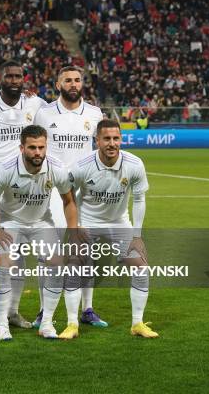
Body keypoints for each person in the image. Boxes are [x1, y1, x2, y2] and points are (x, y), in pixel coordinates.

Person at [0, 125, 81, 340]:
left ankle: (47, 323)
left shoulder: (56, 168)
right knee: (4, 265)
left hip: (41, 222)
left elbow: (69, 201)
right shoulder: (6, 169)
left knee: (56, 264)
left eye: (41, 147)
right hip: (11, 222)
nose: (38, 152)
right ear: (22, 148)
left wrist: (74, 233)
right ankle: (3, 325)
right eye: (32, 148)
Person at [0, 59, 47, 329]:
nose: (15, 80)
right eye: (10, 76)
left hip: (24, 190)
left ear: (24, 79)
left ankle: (11, 312)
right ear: (0, 78)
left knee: (16, 255)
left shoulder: (35, 104)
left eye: (18, 76)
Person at [69, 119, 158, 338]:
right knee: (76, 266)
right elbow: (68, 195)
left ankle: (137, 323)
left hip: (119, 222)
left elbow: (139, 200)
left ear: (121, 139)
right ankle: (74, 322)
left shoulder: (134, 164)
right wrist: (74, 227)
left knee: (140, 267)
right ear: (97, 140)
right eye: (106, 139)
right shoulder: (82, 165)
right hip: (87, 221)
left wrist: (137, 236)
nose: (112, 143)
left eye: (116, 138)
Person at [33, 65, 105, 329]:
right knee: (47, 252)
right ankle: (43, 310)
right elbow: (36, 148)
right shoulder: (45, 113)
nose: (73, 84)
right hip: (52, 189)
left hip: (84, 191)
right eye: (68, 80)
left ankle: (87, 308)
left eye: (77, 80)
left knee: (85, 250)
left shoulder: (95, 114)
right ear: (58, 84)